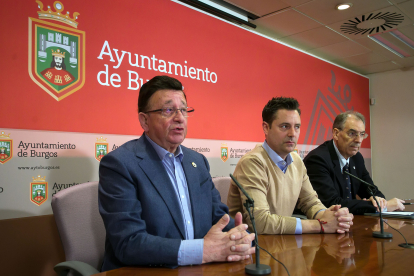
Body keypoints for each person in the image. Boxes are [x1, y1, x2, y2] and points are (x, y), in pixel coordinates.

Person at [98, 76, 255, 271]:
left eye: (183, 110)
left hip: (198, 269)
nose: (180, 117)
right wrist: (202, 251)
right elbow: (128, 243)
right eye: (168, 110)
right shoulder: (119, 164)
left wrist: (238, 238)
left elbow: (218, 217)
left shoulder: (197, 161)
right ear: (144, 120)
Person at [227, 97, 353, 235]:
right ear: (266, 127)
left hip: (281, 242)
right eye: (285, 126)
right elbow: (260, 222)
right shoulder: (252, 162)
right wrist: (320, 225)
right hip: (251, 247)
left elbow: (310, 202)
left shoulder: (297, 161)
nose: (292, 134)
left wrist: (330, 216)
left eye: (297, 127)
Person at [303, 111, 405, 215]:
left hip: (350, 222)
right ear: (336, 133)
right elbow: (332, 204)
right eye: (352, 134)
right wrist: (379, 206)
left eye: (362, 134)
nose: (359, 140)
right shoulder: (318, 160)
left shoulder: (357, 158)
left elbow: (372, 191)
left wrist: (380, 201)